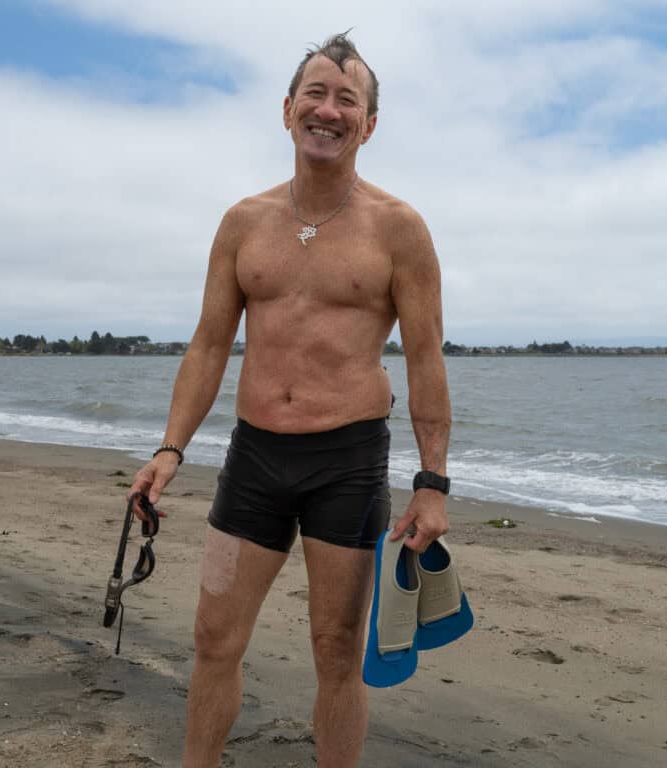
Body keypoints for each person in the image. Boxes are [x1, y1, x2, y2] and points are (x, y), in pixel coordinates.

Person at [129, 32, 451, 768]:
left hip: (348, 461)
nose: (329, 109)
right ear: (287, 110)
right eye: (316, 93)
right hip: (255, 459)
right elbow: (209, 344)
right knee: (215, 639)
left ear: (369, 124)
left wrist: (432, 485)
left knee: (336, 651)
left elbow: (427, 360)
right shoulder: (244, 223)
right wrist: (169, 449)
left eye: (348, 99)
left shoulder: (399, 230)